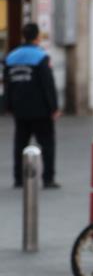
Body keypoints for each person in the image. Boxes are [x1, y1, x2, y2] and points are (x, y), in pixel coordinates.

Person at [3, 23, 59, 189]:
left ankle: (18, 178)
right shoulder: (41, 57)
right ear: (37, 37)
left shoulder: (11, 57)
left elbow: (8, 84)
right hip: (40, 109)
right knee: (47, 144)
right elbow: (47, 84)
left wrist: (8, 105)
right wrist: (54, 107)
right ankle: (48, 178)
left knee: (20, 144)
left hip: (20, 110)